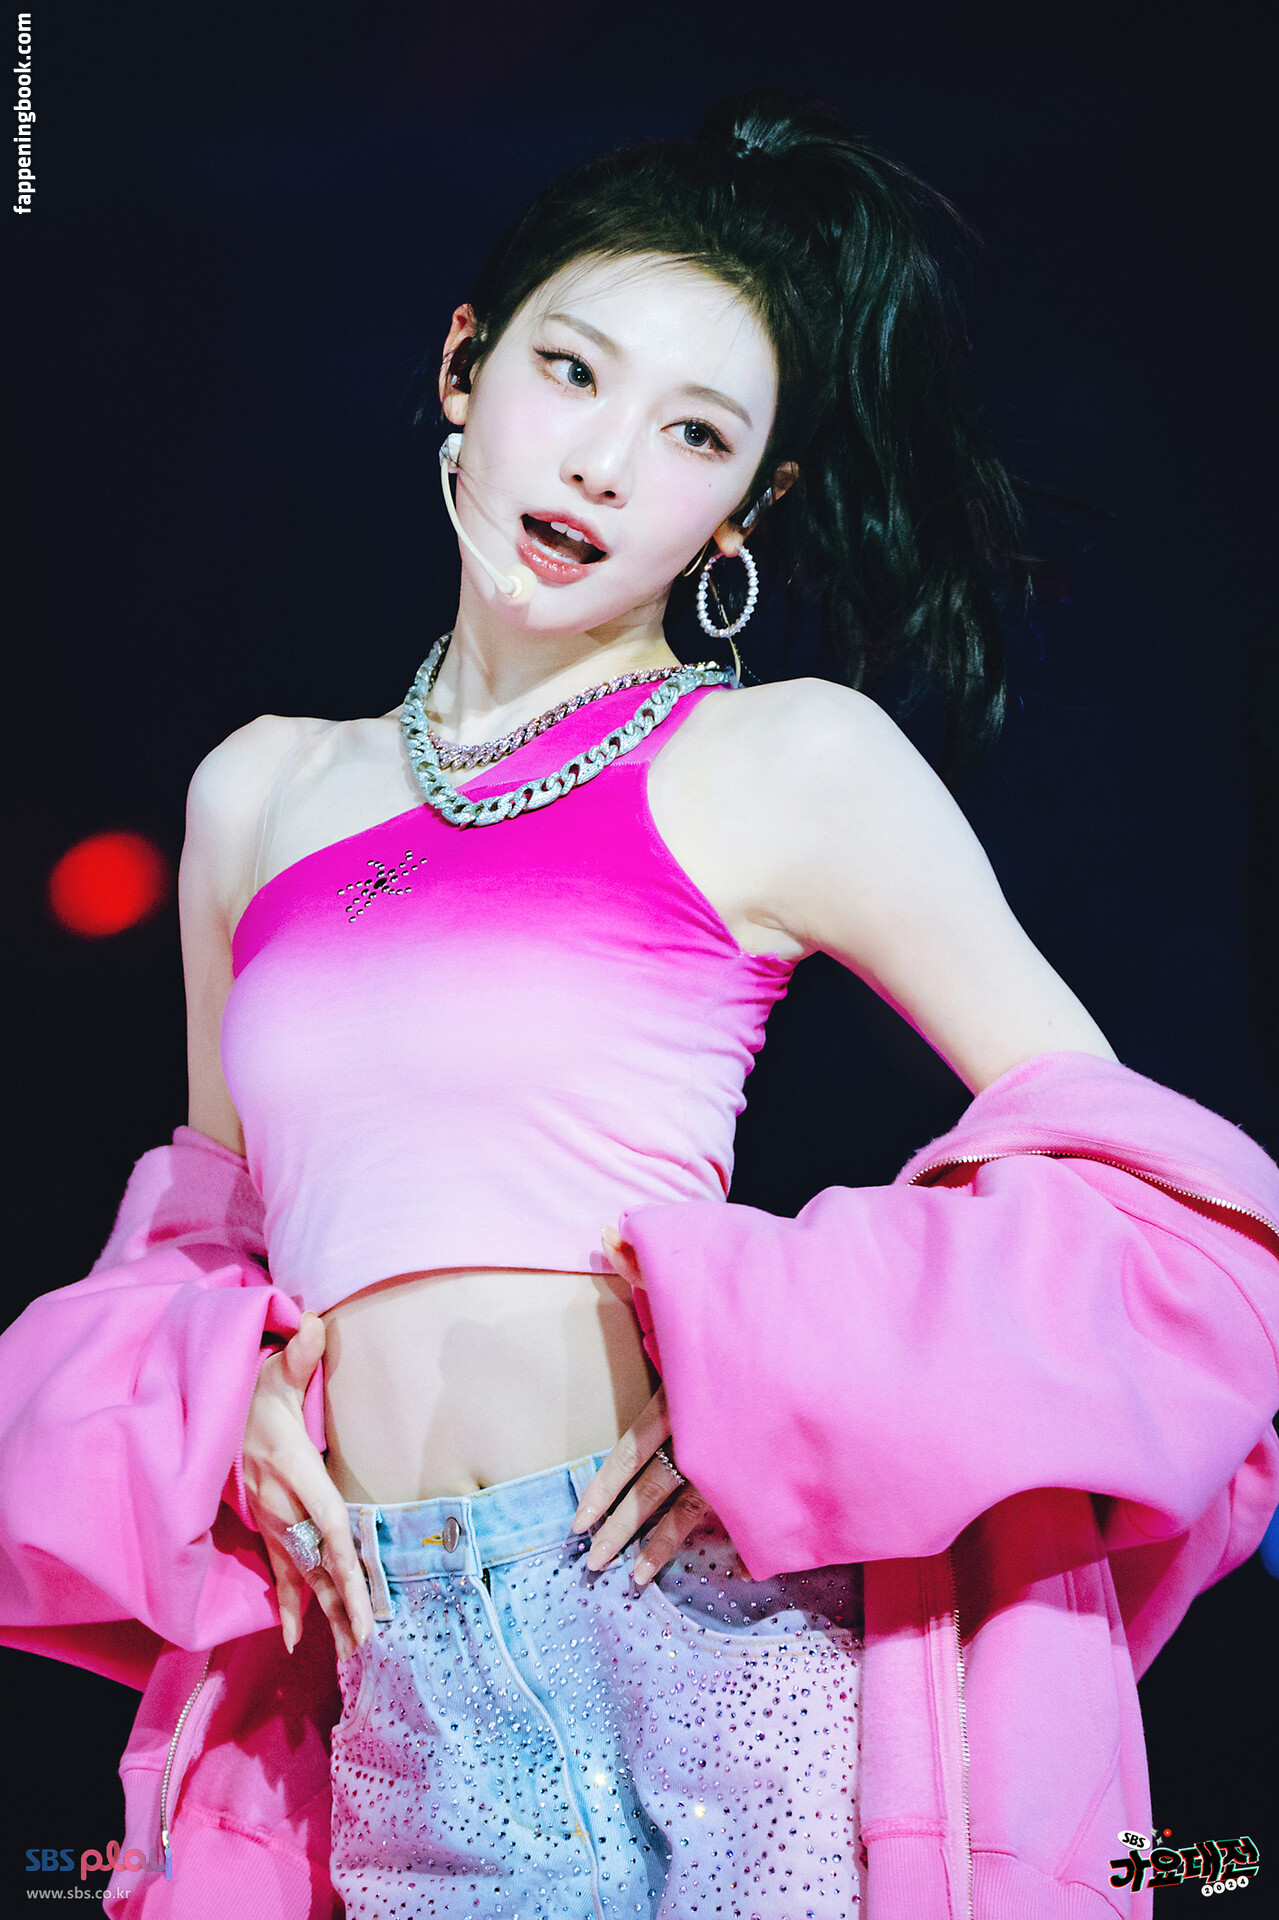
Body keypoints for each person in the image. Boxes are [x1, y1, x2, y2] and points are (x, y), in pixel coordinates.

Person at [1, 89, 1276, 1920]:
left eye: (692, 432)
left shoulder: (784, 762)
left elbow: (1159, 1209)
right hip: (391, 1668)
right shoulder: (256, 795)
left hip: (708, 1643)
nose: (604, 463)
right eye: (572, 373)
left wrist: (790, 1377)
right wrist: (225, 1405)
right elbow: (211, 1240)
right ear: (466, 366)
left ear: (742, 510)